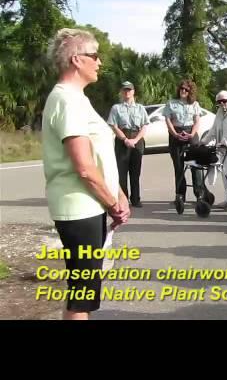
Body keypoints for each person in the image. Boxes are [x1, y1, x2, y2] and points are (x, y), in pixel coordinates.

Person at [42, 28, 130, 320]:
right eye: (94, 56)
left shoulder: (77, 98)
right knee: (82, 294)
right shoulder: (66, 100)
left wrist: (118, 193)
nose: (100, 62)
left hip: (88, 205)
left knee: (84, 292)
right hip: (79, 207)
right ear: (77, 60)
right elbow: (84, 167)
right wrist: (113, 204)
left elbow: (98, 157)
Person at [107, 81, 149, 208]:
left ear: (133, 92)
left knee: (135, 172)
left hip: (137, 139)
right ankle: (123, 199)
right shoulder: (116, 108)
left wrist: (135, 140)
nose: (127, 92)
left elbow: (145, 125)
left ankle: (136, 199)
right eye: (125, 90)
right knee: (122, 173)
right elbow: (114, 126)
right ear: (121, 92)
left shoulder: (140, 108)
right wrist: (125, 139)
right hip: (122, 139)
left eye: (129, 90)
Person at [201, 90, 227, 211]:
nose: (222, 103)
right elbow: (213, 130)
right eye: (219, 101)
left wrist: (224, 143)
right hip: (222, 150)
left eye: (224, 101)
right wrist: (203, 141)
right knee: (225, 175)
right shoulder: (219, 113)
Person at [164, 79, 205, 207]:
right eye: (182, 88)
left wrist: (192, 134)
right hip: (176, 134)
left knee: (196, 166)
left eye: (186, 89)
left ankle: (200, 195)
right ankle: (180, 195)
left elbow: (197, 121)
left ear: (190, 91)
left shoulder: (194, 104)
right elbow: (168, 120)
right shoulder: (171, 103)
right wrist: (175, 134)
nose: (183, 91)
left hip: (191, 133)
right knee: (179, 167)